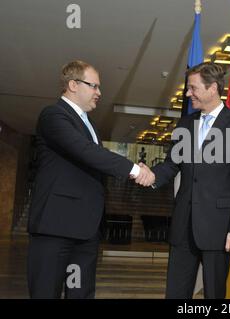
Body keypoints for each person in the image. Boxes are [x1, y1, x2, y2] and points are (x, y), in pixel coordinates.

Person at [27, 60, 154, 299]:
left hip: (85, 231)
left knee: (81, 294)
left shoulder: (90, 125)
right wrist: (134, 170)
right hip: (55, 228)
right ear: (73, 85)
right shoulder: (53, 115)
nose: (99, 93)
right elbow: (85, 151)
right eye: (94, 86)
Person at [149, 62, 230, 299]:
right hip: (182, 226)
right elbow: (171, 164)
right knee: (175, 293)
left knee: (214, 294)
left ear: (213, 88)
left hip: (219, 229)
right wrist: (149, 175)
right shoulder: (185, 124)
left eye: (193, 88)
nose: (188, 94)